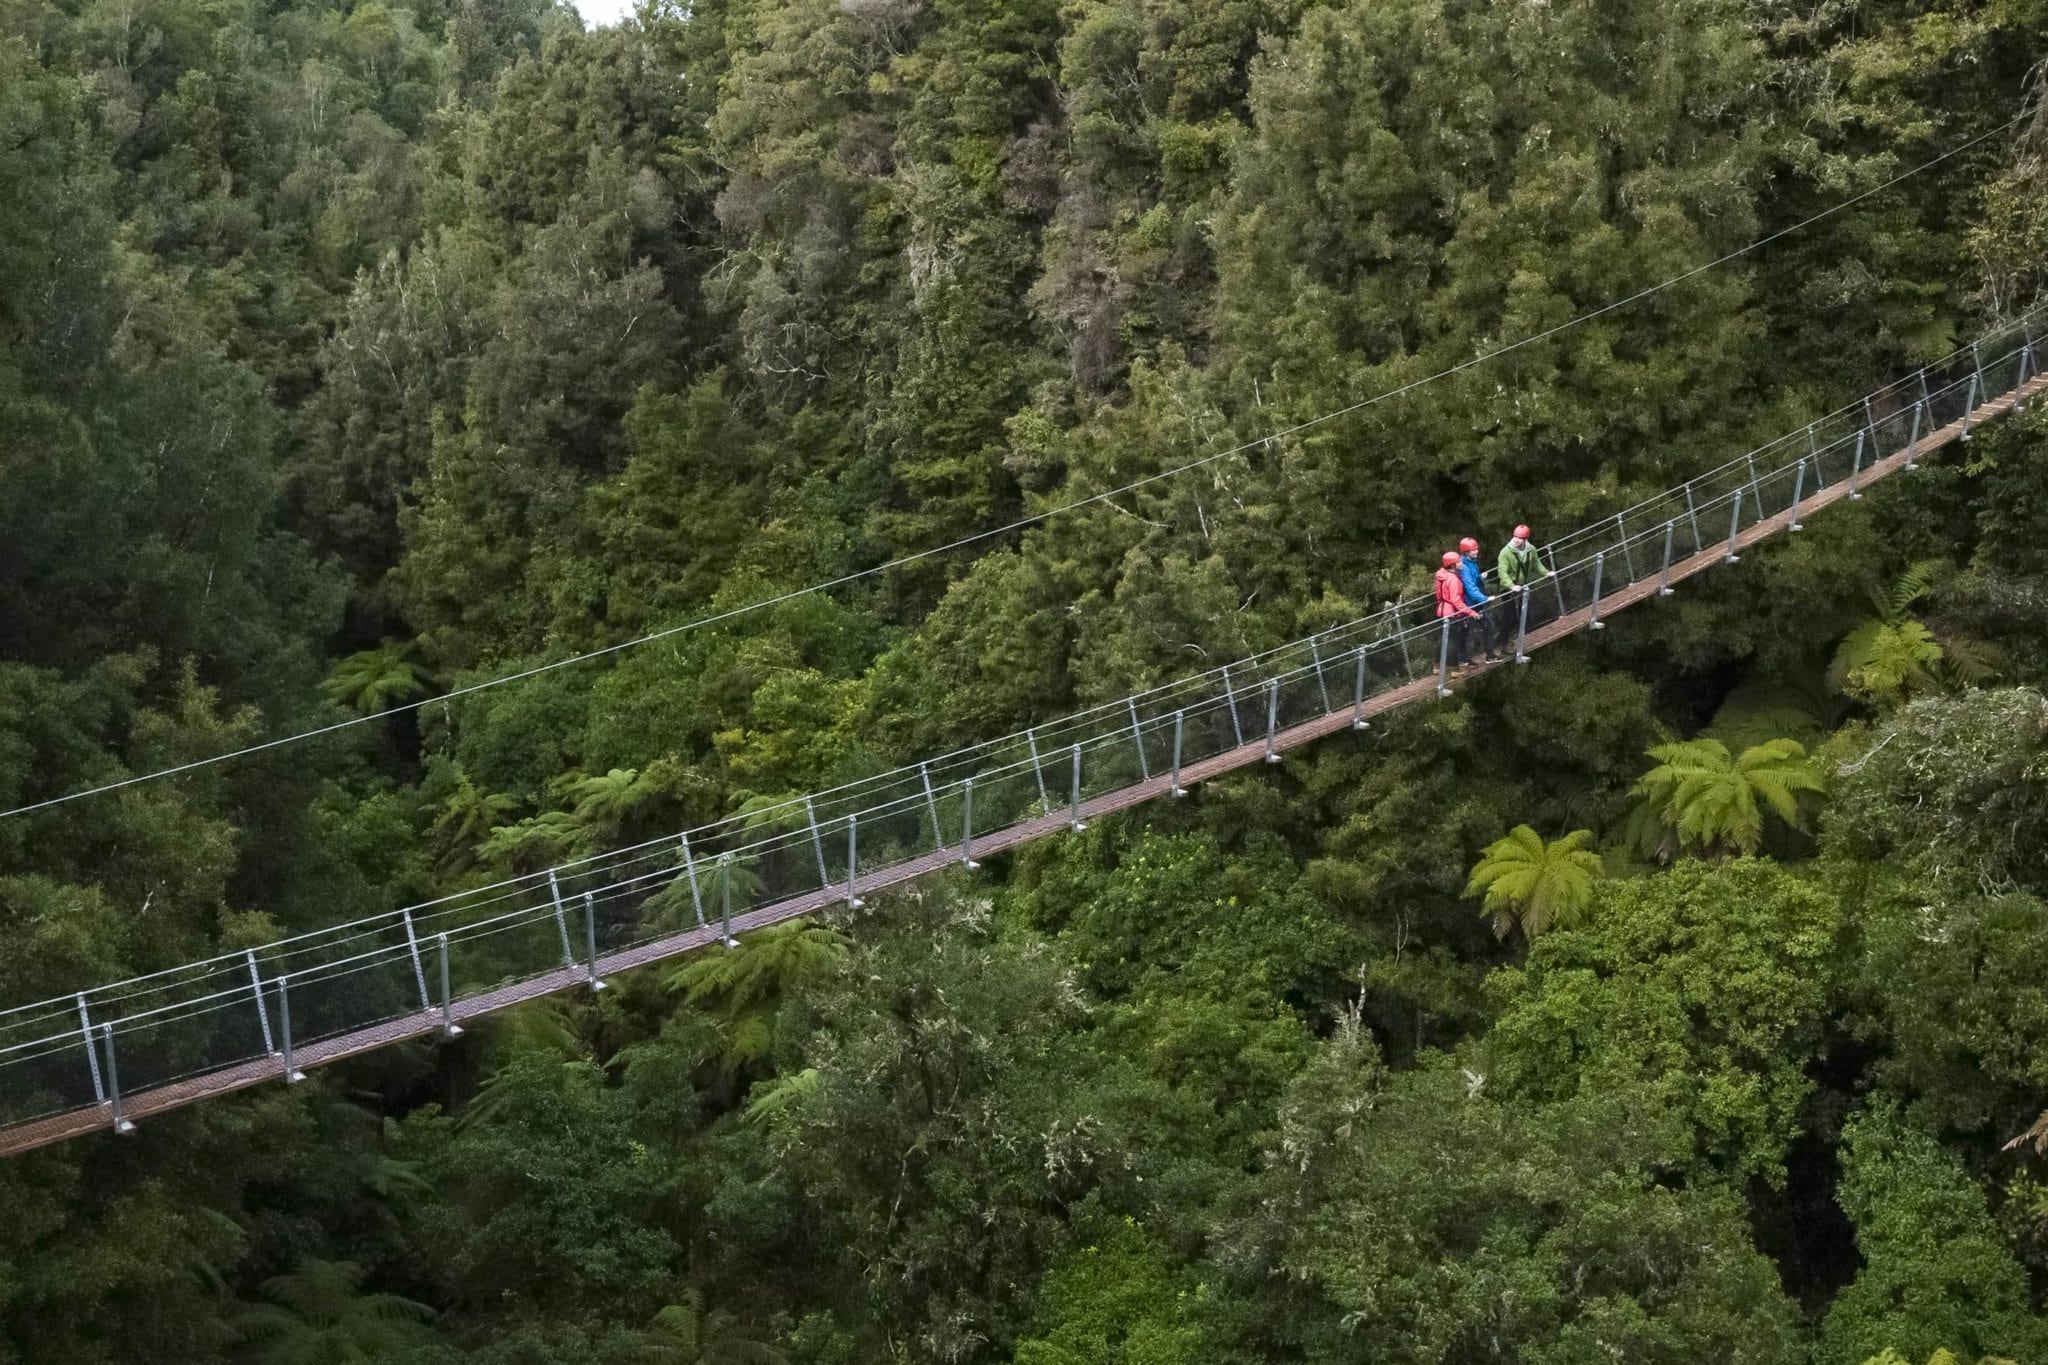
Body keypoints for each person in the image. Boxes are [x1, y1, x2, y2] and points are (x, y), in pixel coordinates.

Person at [1496, 523, 1555, 638]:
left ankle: (1522, 636)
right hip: (1508, 588)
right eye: (1515, 537)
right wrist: (1512, 586)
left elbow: (1536, 564)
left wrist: (1546, 572)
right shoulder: (1505, 552)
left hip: (1523, 584)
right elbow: (1502, 572)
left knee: (1525, 611)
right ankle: (1502, 640)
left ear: (1525, 539)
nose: (1516, 540)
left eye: (1520, 538)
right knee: (1509, 615)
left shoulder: (1531, 549)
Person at [1457, 536, 1503, 661]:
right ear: (1466, 552)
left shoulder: (1471, 562)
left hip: (1476, 602)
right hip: (1472, 604)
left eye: (1476, 549)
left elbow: (1472, 581)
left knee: (1488, 628)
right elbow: (1471, 589)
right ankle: (1465, 659)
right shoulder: (1464, 567)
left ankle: (1488, 655)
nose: (1476, 551)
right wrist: (1485, 598)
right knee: (1472, 633)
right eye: (1473, 550)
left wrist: (1480, 577)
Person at [1434, 550, 1481, 666]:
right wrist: (1471, 612)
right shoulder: (1453, 579)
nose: (1461, 563)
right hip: (1452, 613)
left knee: (1443, 638)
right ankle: (1455, 668)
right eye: (1458, 562)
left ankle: (1437, 665)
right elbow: (1456, 600)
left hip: (1442, 610)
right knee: (1453, 641)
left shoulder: (1441, 575)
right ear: (1452, 565)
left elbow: (1439, 595)